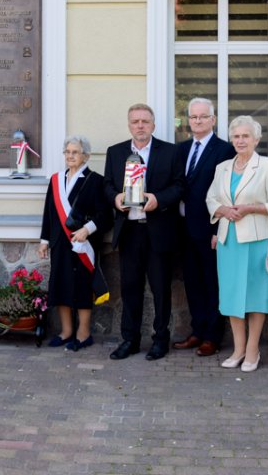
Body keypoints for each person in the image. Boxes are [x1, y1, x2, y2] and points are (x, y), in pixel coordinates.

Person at [206, 116, 268, 372]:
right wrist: (222, 210)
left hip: (259, 239)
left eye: (245, 136)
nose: (240, 140)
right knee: (231, 296)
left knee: (256, 296)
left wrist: (251, 208)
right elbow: (210, 198)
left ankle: (253, 350)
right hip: (229, 239)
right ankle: (238, 349)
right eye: (236, 136)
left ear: (256, 139)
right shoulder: (223, 167)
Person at [104, 103, 184, 361]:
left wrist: (158, 199)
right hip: (129, 230)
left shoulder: (170, 152)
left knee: (161, 289)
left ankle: (161, 340)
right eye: (135, 121)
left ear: (153, 125)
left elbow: (180, 186)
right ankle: (130, 340)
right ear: (129, 124)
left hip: (158, 230)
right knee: (130, 288)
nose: (140, 125)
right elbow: (107, 185)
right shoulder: (115, 152)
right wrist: (116, 198)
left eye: (145, 121)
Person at [172, 98, 235, 357]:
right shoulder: (181, 149)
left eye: (203, 116)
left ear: (213, 119)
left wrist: (217, 230)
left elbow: (227, 192)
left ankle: (213, 336)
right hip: (183, 228)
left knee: (212, 284)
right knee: (193, 283)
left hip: (210, 230)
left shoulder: (225, 150)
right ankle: (197, 331)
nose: (197, 121)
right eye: (193, 117)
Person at [38, 135, 109, 351]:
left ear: (85, 156)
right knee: (60, 286)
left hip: (82, 245)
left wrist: (87, 230)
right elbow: (49, 214)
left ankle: (83, 333)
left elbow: (105, 214)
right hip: (60, 244)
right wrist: (44, 240)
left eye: (75, 152)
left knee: (81, 288)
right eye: (67, 152)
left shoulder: (96, 180)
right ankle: (66, 331)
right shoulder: (55, 180)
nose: (70, 156)